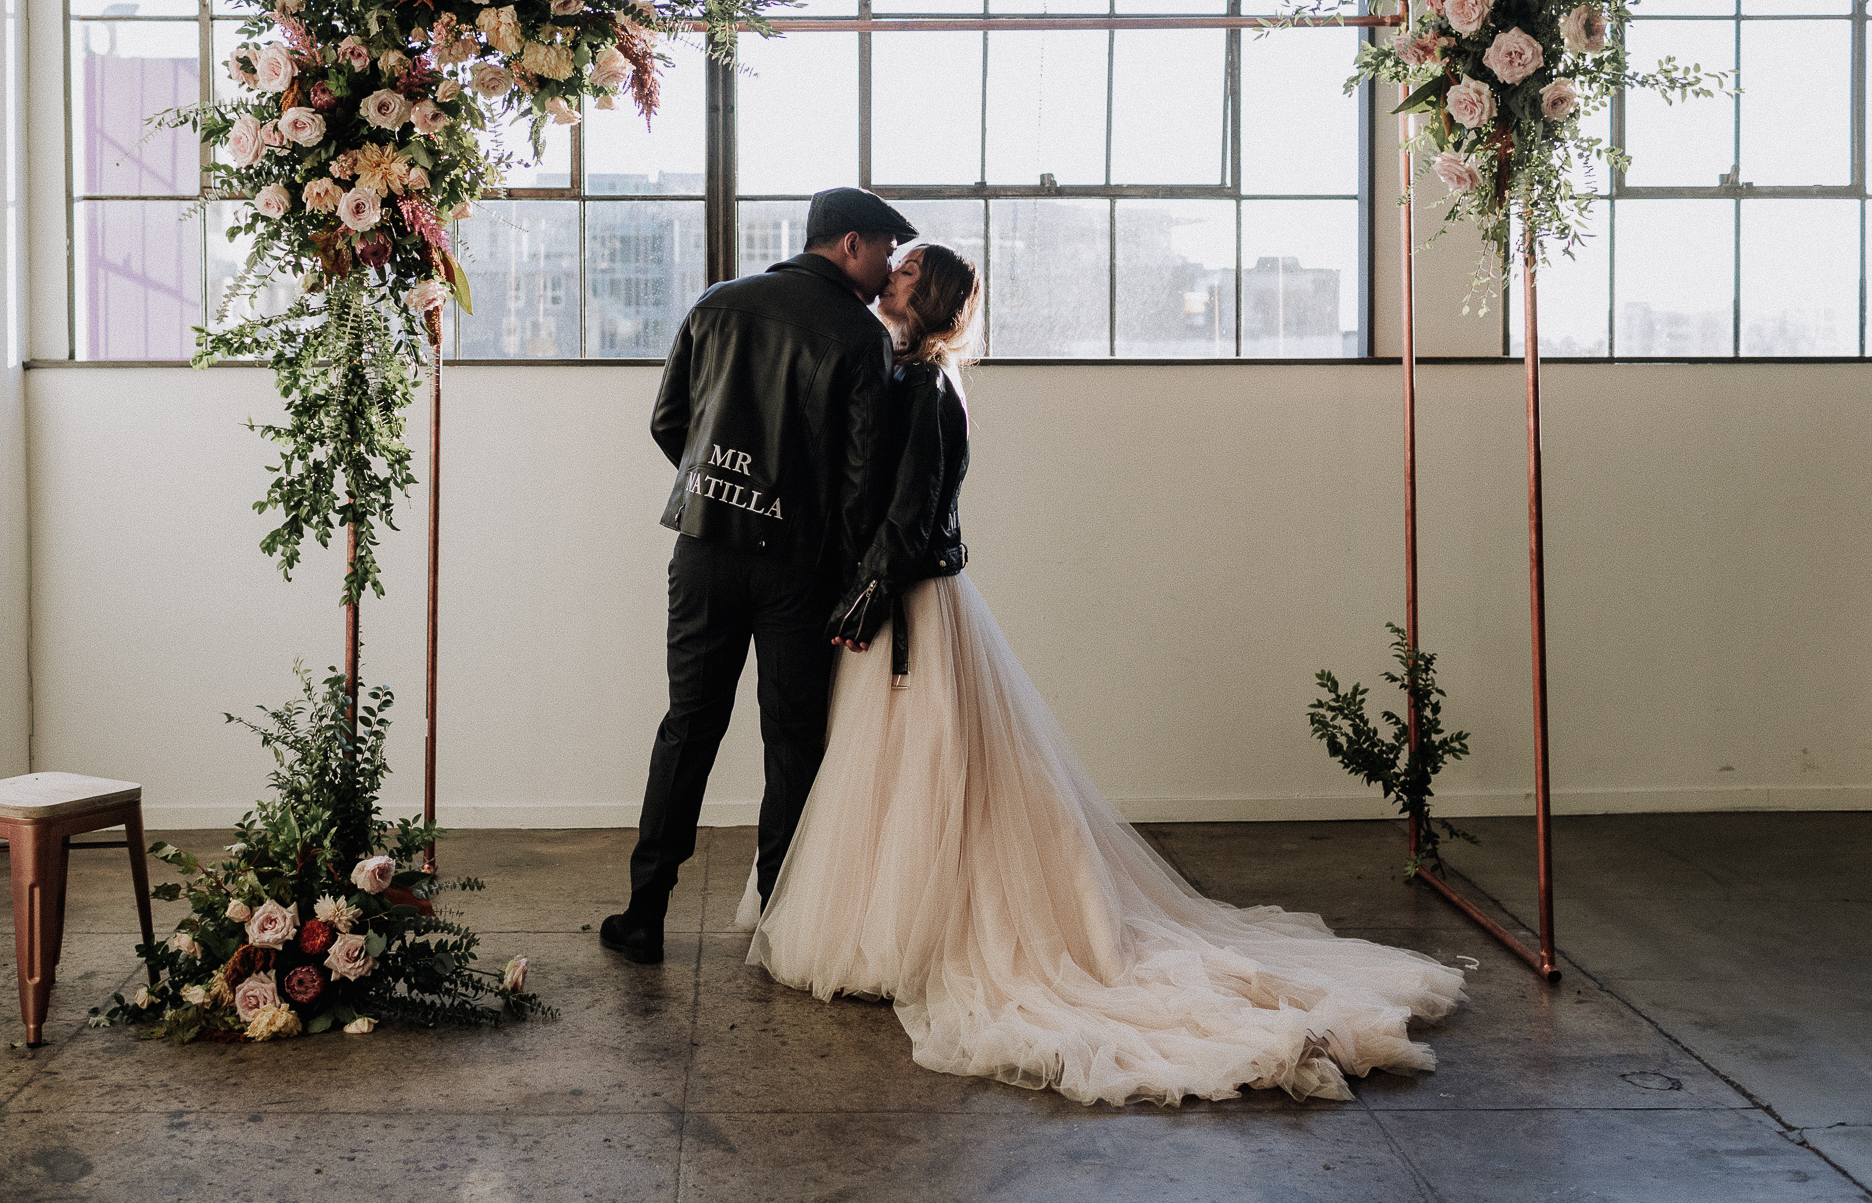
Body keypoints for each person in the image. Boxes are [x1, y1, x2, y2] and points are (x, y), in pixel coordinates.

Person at [742, 242, 1468, 1105]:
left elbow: (913, 511)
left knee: (927, 769)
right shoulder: (909, 376)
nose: (885, 279)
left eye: (901, 273)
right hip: (904, 599)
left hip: (909, 605)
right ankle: (888, 927)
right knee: (901, 770)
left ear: (925, 296)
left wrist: (866, 596)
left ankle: (910, 935)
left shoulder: (925, 386)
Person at [601, 186, 917, 967]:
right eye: (884, 250)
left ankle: (644, 914)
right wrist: (848, 577)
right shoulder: (859, 335)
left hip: (705, 552)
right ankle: (780, 922)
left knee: (688, 726)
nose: (890, 267)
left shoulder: (718, 304)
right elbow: (858, 483)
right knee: (793, 741)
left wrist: (722, 489)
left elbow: (666, 420)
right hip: (798, 569)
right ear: (850, 244)